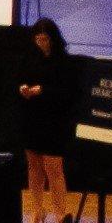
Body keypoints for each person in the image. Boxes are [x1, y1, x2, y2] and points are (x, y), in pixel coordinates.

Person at [13, 16, 80, 198]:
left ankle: (60, 212)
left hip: (53, 120)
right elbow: (19, 79)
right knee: (34, 167)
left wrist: (42, 90)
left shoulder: (63, 62)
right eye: (38, 39)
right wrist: (22, 88)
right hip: (32, 117)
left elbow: (67, 92)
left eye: (45, 40)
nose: (41, 43)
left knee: (53, 167)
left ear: (53, 39)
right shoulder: (29, 58)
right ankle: (37, 210)